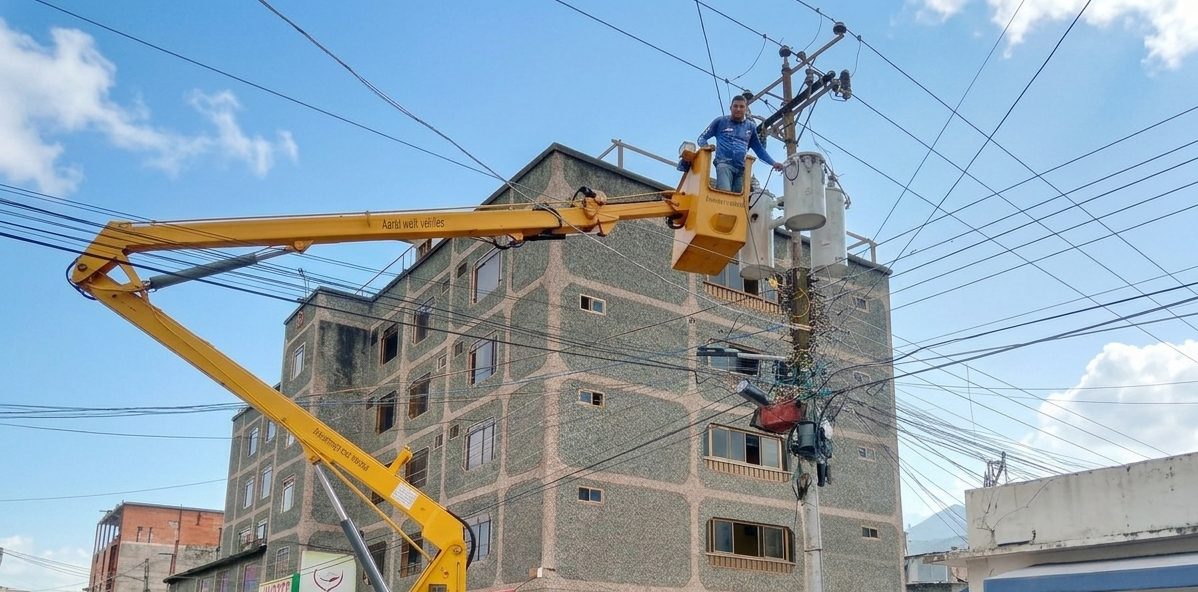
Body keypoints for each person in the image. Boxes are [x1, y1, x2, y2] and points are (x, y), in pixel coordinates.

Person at [697, 95, 785, 193]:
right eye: (735, 106)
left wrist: (773, 163)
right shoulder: (720, 121)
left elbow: (759, 149)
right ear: (731, 108)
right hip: (724, 164)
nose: (738, 109)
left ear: (746, 109)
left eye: (741, 106)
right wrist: (706, 147)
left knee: (737, 201)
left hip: (740, 170)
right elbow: (701, 138)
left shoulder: (750, 127)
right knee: (725, 195)